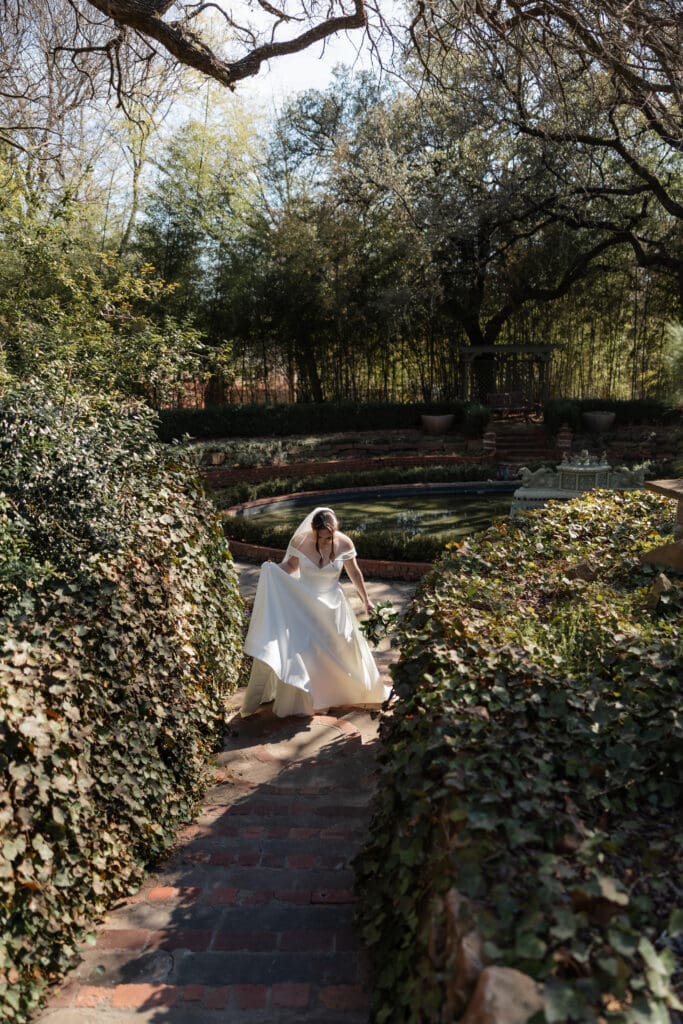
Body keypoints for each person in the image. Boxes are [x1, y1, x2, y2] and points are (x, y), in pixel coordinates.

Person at [240, 506, 391, 718]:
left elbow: (354, 573)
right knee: (309, 651)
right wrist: (271, 570)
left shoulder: (345, 543)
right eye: (322, 537)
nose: (327, 541)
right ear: (314, 531)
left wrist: (366, 600)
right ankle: (316, 700)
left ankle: (339, 693)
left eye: (330, 537)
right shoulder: (300, 542)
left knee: (340, 649)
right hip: (305, 604)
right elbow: (291, 566)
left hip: (333, 606)